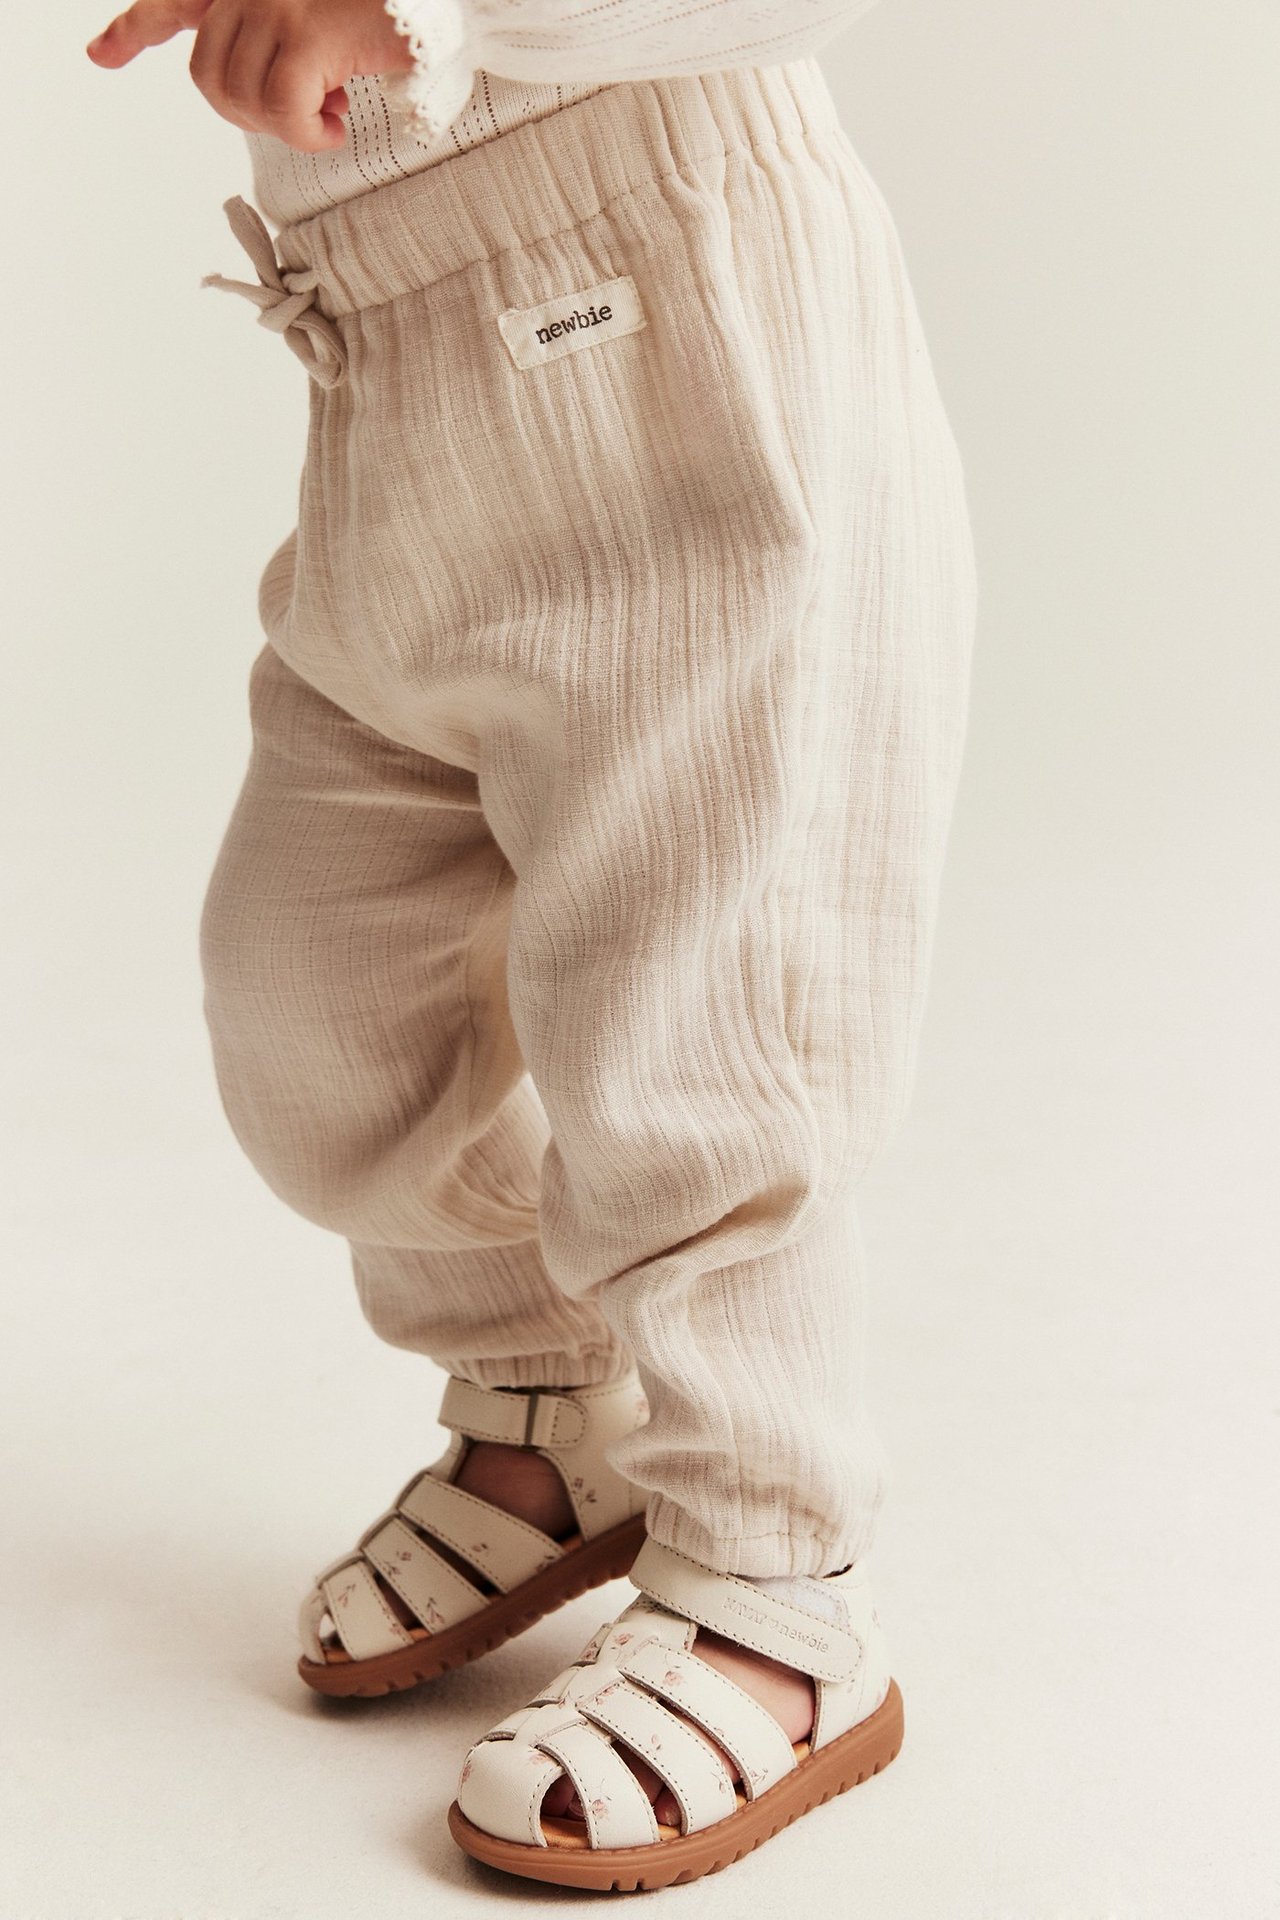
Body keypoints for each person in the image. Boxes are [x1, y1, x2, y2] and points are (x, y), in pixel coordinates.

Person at [85, 0, 976, 1890]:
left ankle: (774, 1582)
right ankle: (552, 1396)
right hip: (396, 373)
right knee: (310, 985)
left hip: (680, 312)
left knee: (705, 1024)